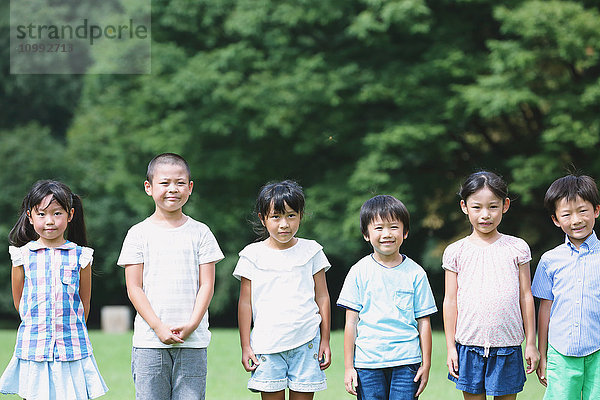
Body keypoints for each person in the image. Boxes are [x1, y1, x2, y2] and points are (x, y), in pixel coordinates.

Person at [118, 153, 224, 400]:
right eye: (164, 183)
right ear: (149, 187)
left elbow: (207, 284)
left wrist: (192, 325)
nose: (172, 189)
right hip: (149, 341)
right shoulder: (138, 234)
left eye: (180, 183)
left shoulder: (201, 232)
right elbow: (134, 287)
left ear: (190, 187)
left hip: (193, 341)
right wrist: (158, 326)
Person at [0, 180, 108, 399]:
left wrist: (67, 331)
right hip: (34, 347)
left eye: (57, 213)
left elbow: (84, 303)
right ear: (30, 216)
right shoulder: (22, 256)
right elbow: (19, 301)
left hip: (71, 347)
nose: (49, 221)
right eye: (41, 214)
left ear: (70, 215)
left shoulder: (81, 256)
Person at [442, 171, 539, 400]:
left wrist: (531, 343)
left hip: (508, 345)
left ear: (505, 205)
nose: (485, 215)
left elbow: (526, 295)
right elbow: (450, 300)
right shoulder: (456, 252)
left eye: (492, 207)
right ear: (464, 206)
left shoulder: (517, 248)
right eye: (477, 207)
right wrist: (450, 348)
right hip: (469, 346)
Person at [233, 180, 331, 400]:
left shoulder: (312, 251)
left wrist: (325, 340)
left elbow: (322, 296)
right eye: (276, 217)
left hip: (307, 341)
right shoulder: (251, 255)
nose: (284, 224)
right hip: (267, 343)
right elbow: (245, 303)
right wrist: (245, 345)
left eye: (291, 215)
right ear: (263, 218)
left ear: (301, 216)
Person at [337, 194, 437, 400]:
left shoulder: (416, 273)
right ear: (366, 234)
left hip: (407, 361)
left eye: (393, 227)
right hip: (367, 363)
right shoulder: (358, 272)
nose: (387, 234)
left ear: (405, 232)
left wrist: (426, 365)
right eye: (379, 228)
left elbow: (424, 322)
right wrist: (349, 367)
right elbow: (351, 323)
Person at [531, 174, 600, 400]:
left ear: (596, 211)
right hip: (561, 352)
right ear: (556, 219)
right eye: (567, 214)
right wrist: (543, 353)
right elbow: (545, 308)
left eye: (582, 211)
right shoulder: (550, 260)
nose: (576, 220)